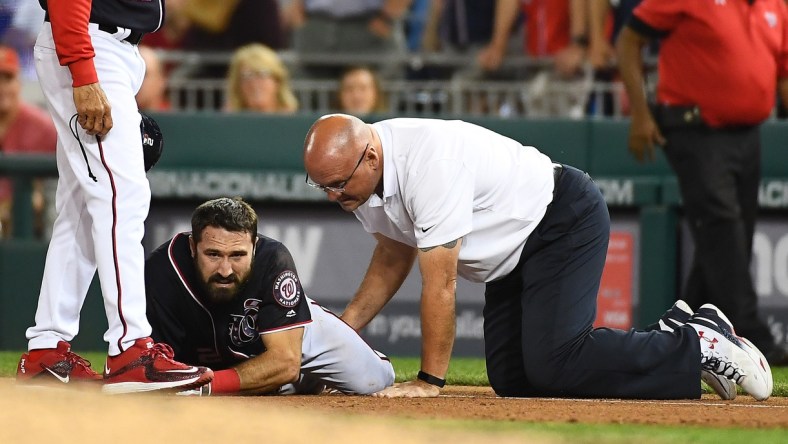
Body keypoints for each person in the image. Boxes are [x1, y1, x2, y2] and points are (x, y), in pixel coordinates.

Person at [302, 113, 773, 400]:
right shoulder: (360, 182)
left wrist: (430, 380)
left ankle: (696, 346)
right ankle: (677, 337)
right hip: (513, 249)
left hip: (559, 218)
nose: (332, 196)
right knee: (515, 379)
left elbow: (442, 284)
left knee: (556, 361)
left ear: (370, 157)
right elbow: (390, 257)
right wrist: (339, 341)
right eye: (322, 186)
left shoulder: (429, 164)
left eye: (338, 184)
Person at [16, 0, 213, 393]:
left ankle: (46, 351)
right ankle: (130, 350)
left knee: (82, 209)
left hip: (110, 48)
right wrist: (83, 71)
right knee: (124, 196)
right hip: (89, 45)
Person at [616, 0, 788, 365]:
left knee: (729, 238)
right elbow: (628, 40)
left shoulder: (776, 6)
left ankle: (676, 335)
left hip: (748, 134)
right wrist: (641, 114)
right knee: (723, 224)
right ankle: (754, 337)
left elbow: (784, 72)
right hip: (694, 127)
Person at [145, 197, 395, 396]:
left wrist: (205, 386)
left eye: (237, 255)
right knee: (274, 385)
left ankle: (305, 376)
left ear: (254, 246)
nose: (225, 270)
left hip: (289, 333)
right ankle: (304, 382)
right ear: (192, 247)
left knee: (373, 382)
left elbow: (285, 361)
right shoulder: (164, 268)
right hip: (229, 355)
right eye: (213, 255)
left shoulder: (273, 258)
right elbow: (157, 360)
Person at [0, 45, 57, 239]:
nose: (2, 88)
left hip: (29, 225)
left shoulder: (42, 127)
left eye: (7, 79)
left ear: (19, 83)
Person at [225, 43, 298, 114]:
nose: (254, 83)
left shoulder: (294, 122)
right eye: (247, 76)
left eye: (262, 74)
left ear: (277, 80)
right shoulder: (228, 121)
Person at [136, 46, 169, 112]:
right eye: (133, 74)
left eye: (145, 75)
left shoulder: (172, 117)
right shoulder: (117, 115)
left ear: (161, 81)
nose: (136, 80)